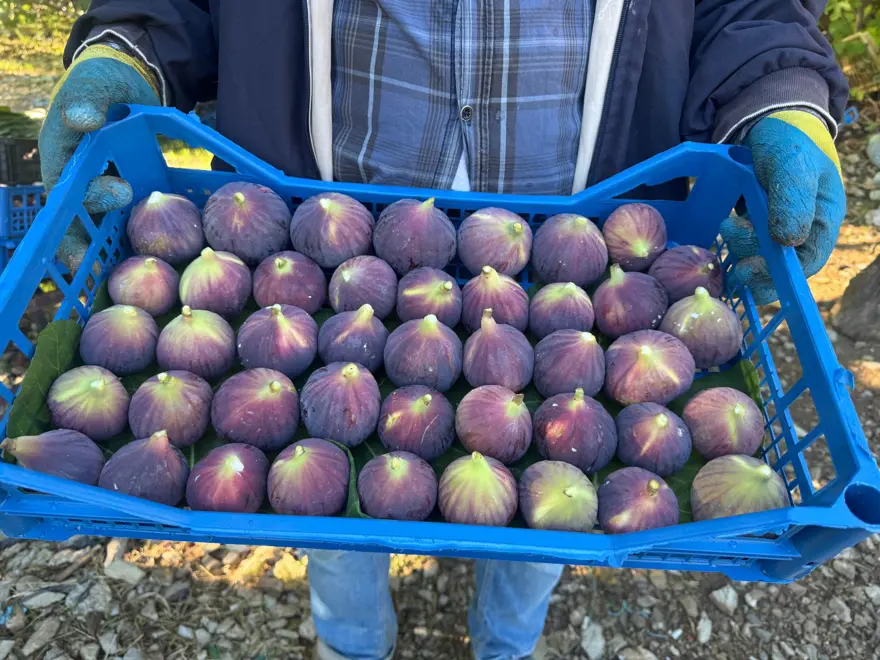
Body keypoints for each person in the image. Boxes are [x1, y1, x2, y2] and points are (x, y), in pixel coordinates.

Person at [41, 2, 847, 659]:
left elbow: (754, 9)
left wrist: (780, 94)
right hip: (318, 236)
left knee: (557, 490)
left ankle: (505, 641)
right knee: (324, 487)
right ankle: (354, 643)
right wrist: (133, 36)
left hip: (574, 240)